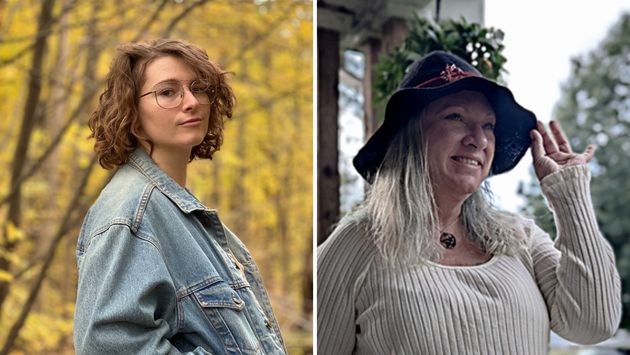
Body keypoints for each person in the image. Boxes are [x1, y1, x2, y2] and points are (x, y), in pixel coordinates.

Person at [317, 51, 621, 354]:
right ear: (412, 135)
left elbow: (593, 325)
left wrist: (569, 195)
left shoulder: (520, 240)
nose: (479, 139)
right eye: (456, 117)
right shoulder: (358, 244)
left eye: (488, 125)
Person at [74, 39, 286, 354]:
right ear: (131, 108)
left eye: (199, 88)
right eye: (168, 92)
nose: (191, 102)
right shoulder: (132, 213)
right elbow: (109, 344)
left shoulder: (178, 211)